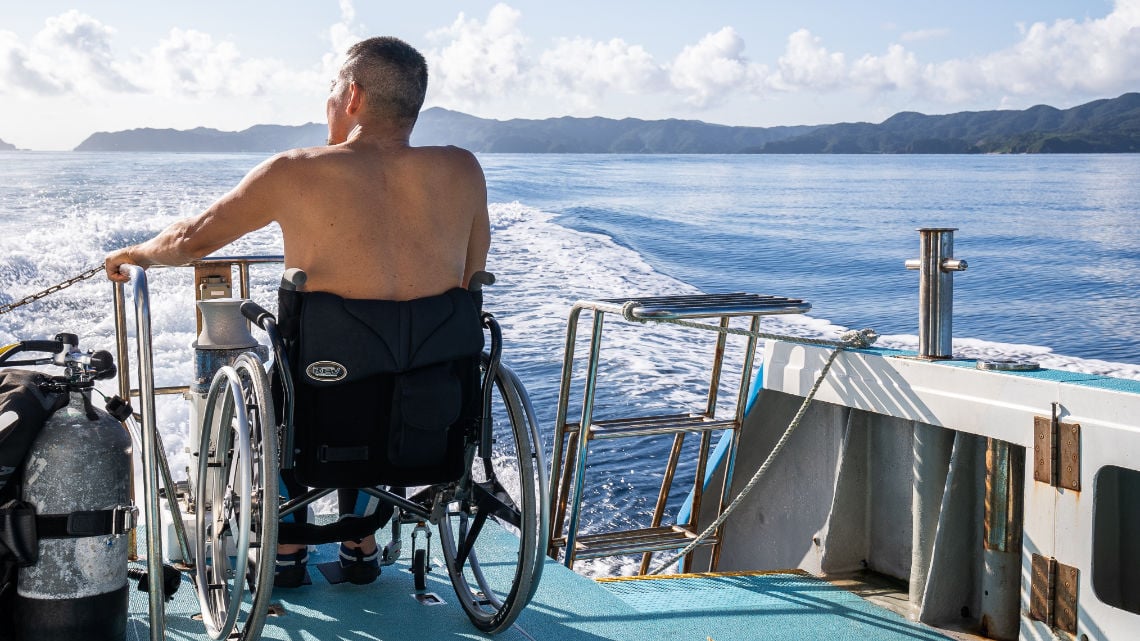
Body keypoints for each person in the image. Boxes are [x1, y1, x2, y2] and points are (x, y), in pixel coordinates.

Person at [104, 36, 491, 587]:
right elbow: (469, 278)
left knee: (283, 389)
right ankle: (361, 541)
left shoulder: (295, 170)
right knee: (388, 370)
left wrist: (134, 254)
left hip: (322, 393)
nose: (328, 99)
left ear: (353, 95)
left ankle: (285, 545)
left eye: (332, 87)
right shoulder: (464, 169)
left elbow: (191, 241)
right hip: (429, 405)